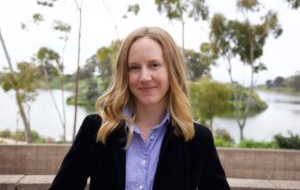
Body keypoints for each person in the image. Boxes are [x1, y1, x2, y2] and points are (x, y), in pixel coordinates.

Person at [49, 26, 230, 190]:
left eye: (154, 65)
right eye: (134, 68)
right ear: (124, 74)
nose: (144, 77)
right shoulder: (96, 130)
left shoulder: (197, 140)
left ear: (172, 70)